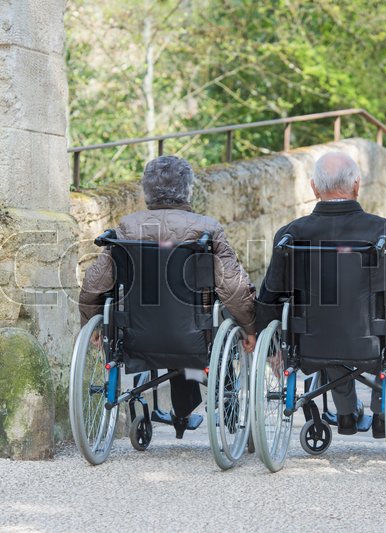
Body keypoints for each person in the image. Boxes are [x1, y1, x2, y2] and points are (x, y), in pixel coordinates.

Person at [257, 152, 386, 438]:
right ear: (357, 185)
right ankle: (382, 414)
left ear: (314, 188)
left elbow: (269, 297)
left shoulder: (290, 234)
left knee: (327, 323)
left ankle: (345, 414)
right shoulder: (385, 231)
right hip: (371, 338)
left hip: (311, 343)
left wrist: (271, 351)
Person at [79, 155, 256, 433]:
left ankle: (179, 412)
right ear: (188, 189)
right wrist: (249, 327)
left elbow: (93, 284)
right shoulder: (206, 228)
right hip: (195, 337)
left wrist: (92, 324)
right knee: (207, 318)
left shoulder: (128, 227)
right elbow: (234, 288)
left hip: (137, 335)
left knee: (170, 315)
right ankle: (195, 410)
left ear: (146, 190)